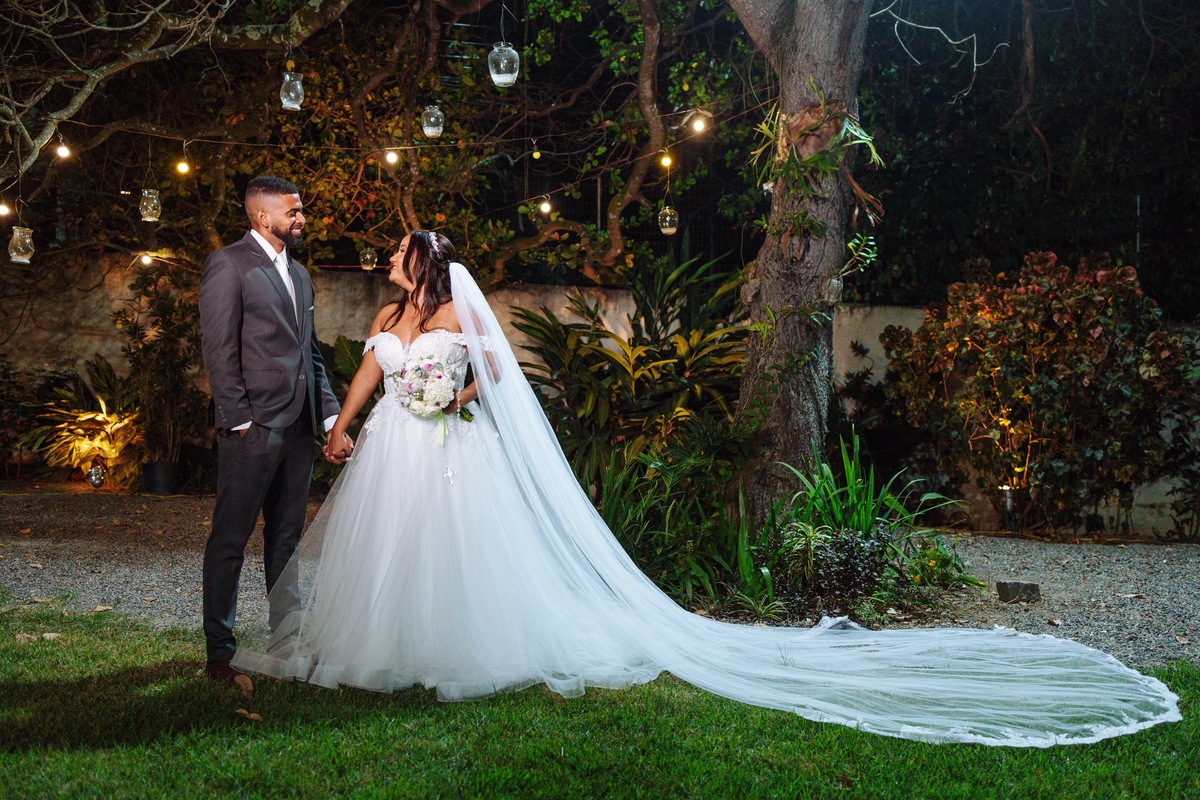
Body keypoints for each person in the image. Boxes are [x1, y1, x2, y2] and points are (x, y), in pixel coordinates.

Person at [232, 230, 1180, 746]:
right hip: (394, 443)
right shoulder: (392, 314)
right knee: (387, 550)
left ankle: (449, 647)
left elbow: (493, 376)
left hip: (443, 446)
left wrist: (448, 395)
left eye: (400, 257)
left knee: (453, 554)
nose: (391, 266)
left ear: (426, 266)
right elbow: (367, 370)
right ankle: (377, 646)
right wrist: (352, 419)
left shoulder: (454, 311)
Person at [199, 175, 341, 692]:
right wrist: (238, 420)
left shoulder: (300, 275)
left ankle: (287, 641)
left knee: (285, 540)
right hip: (252, 429)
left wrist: (328, 414)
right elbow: (219, 350)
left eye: (300, 210)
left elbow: (311, 351)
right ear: (263, 217)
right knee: (230, 541)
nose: (301, 218)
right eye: (293, 211)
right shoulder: (229, 265)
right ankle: (220, 652)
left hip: (300, 428)